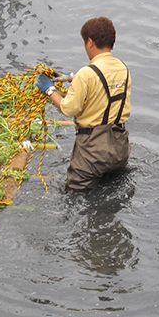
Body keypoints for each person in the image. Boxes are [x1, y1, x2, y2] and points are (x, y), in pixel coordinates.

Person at [37, 17, 131, 191]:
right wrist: (73, 78)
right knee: (113, 190)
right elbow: (107, 87)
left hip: (92, 152)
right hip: (119, 147)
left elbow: (68, 108)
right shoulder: (123, 68)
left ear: (90, 42)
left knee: (76, 195)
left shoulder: (86, 74)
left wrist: (50, 90)